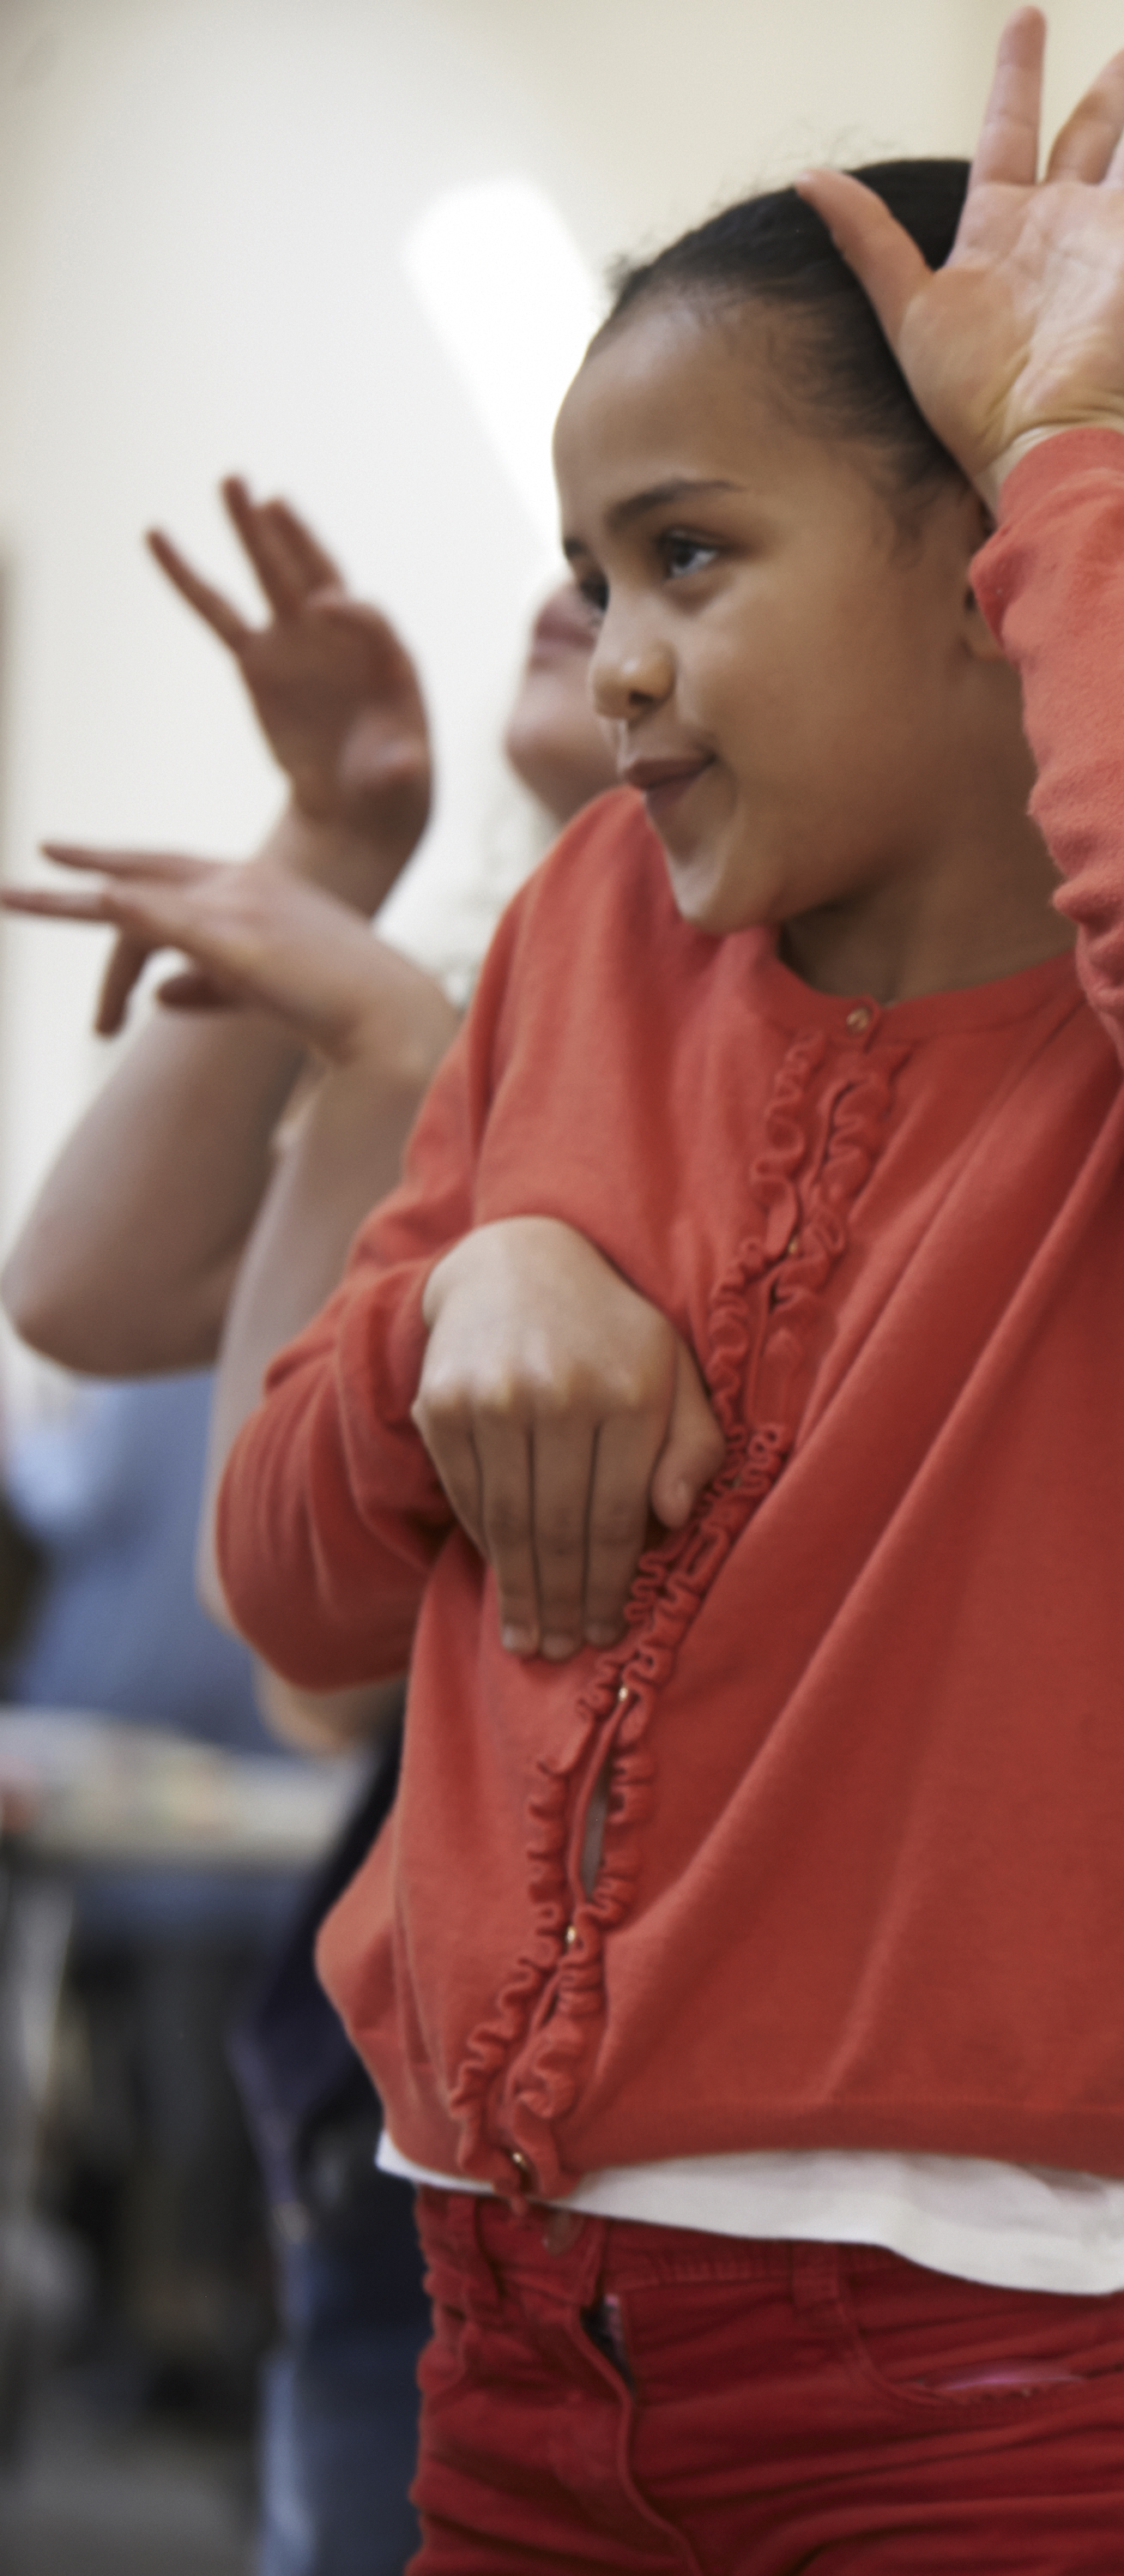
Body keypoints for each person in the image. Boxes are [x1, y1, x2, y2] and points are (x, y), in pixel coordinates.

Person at [208, 12, 1124, 2567]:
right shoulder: (583, 944)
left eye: (691, 555)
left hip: (964, 2390)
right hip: (508, 2335)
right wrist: (456, 1309)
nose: (619, 659)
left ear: (987, 576)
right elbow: (292, 1570)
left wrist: (1059, 445)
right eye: (595, 579)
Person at [2, 474, 523, 2575]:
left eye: (684, 547)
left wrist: (395, 1033)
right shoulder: (536, 984)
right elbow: (85, 1290)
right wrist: (336, 841)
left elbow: (301, 1639)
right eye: (585, 563)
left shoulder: (704, 1047)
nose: (596, 615)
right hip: (432, 2111)